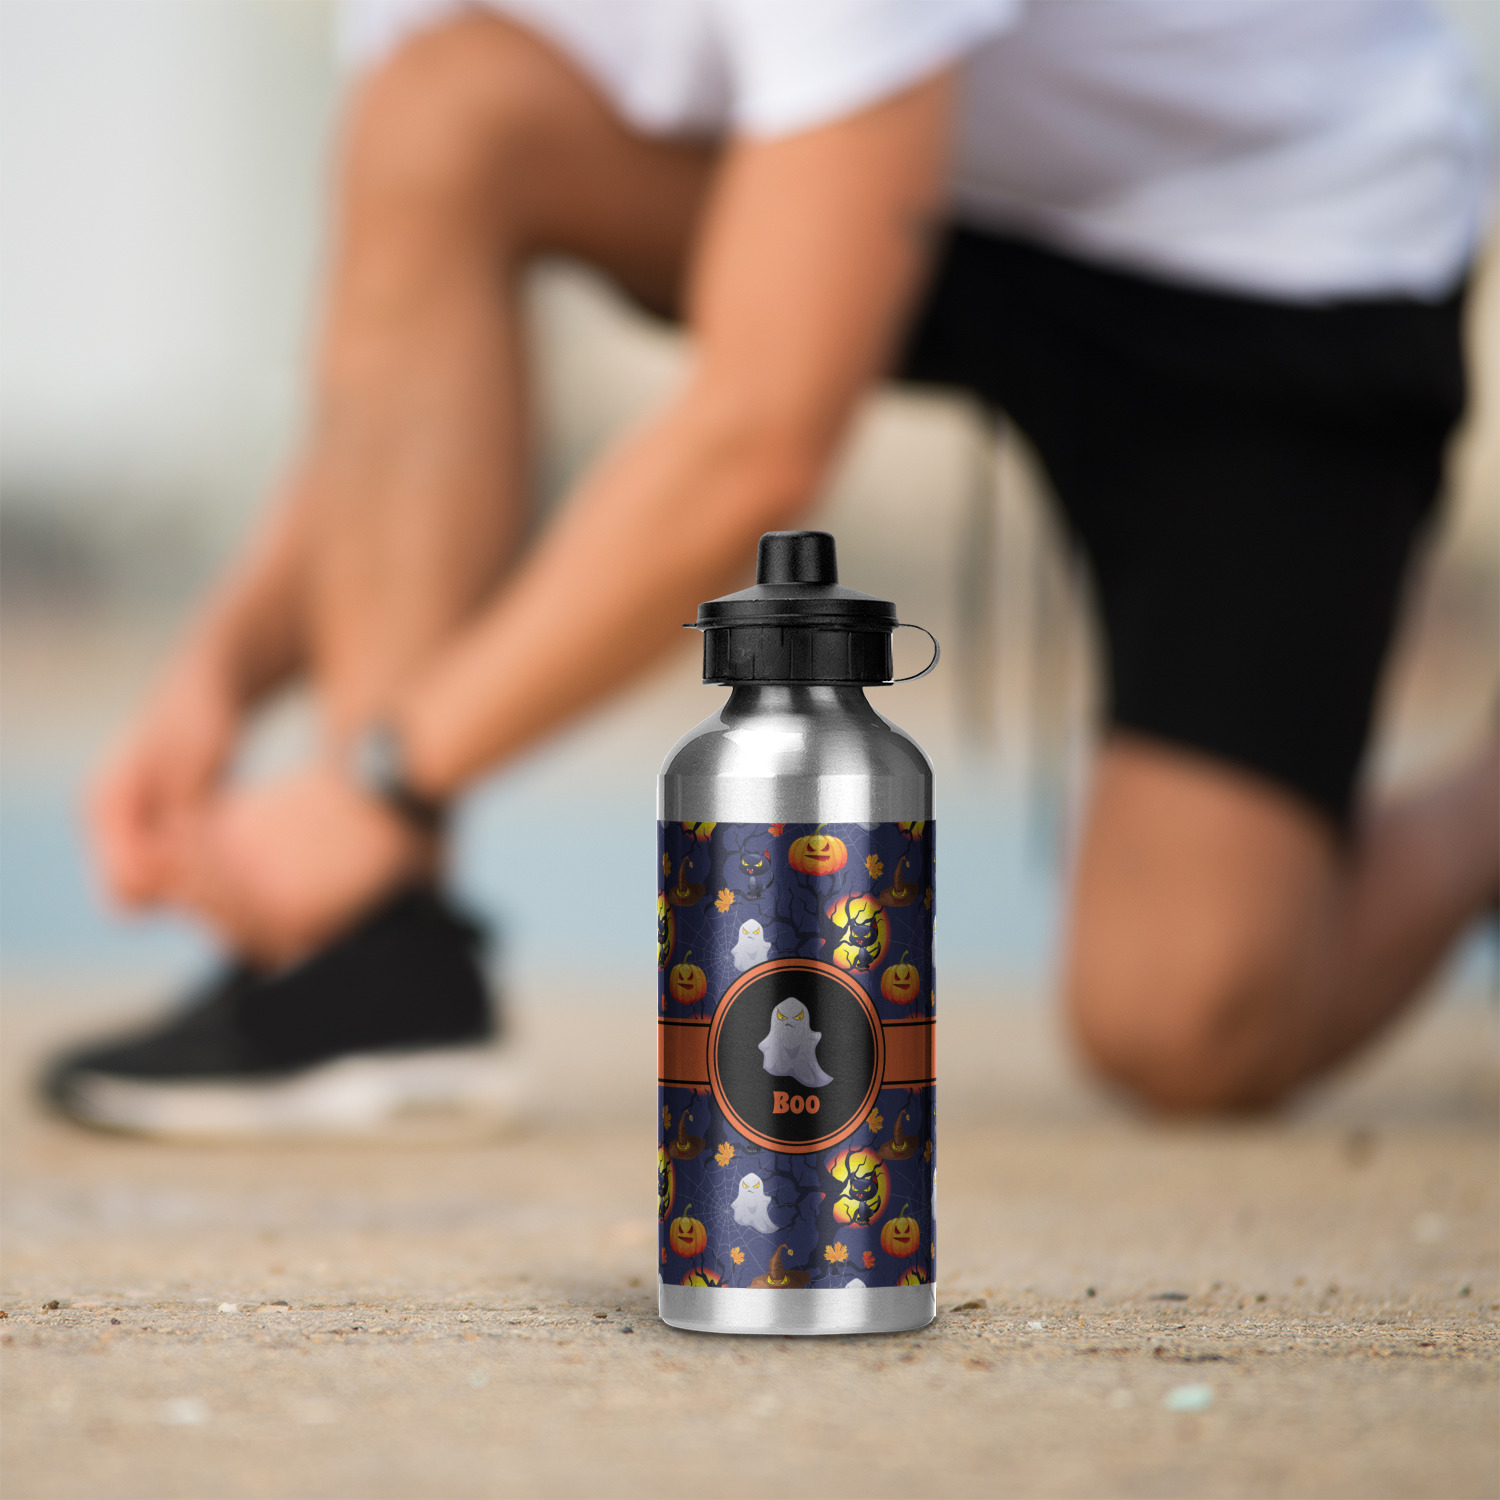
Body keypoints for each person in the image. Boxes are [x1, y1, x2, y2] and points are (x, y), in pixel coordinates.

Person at [46, 0, 1498, 1132]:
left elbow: (759, 438)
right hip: (913, 182)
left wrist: (389, 781)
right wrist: (219, 669)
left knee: (1188, 1029)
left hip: (1265, 243)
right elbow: (398, 371)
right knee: (442, 113)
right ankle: (374, 952)